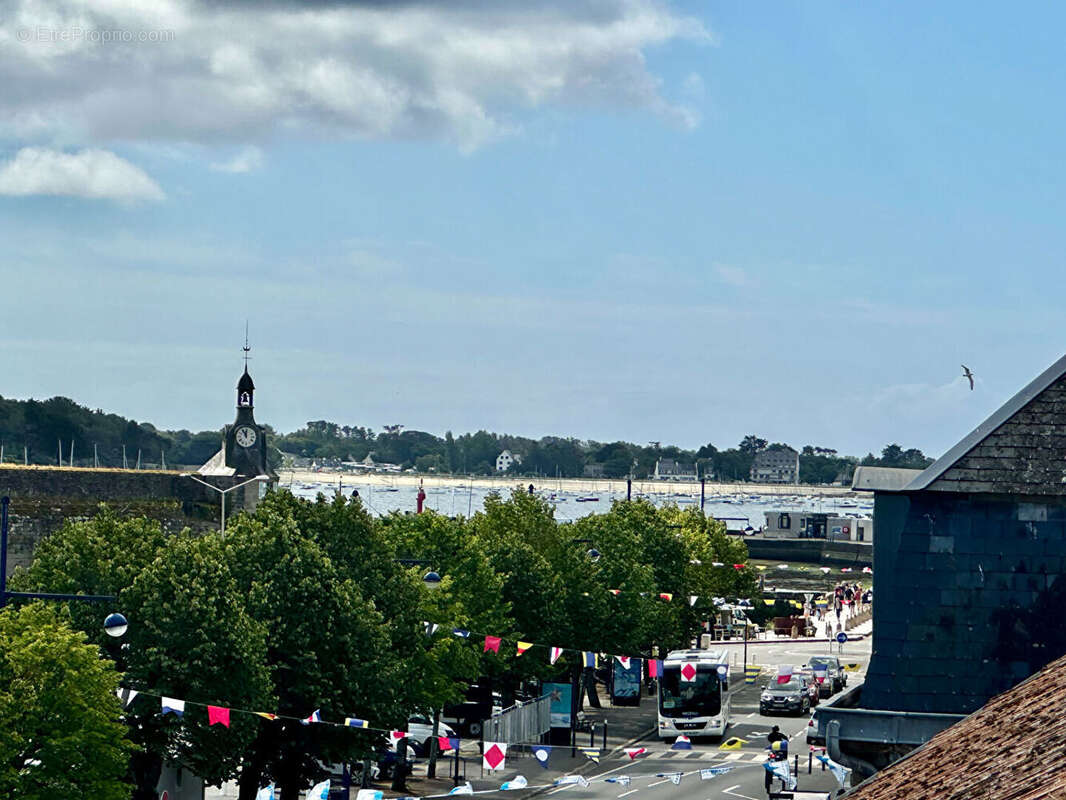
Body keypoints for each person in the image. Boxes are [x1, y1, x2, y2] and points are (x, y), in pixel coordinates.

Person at [765, 726, 788, 793]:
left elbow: (769, 739)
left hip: (773, 749)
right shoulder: (780, 735)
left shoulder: (770, 735)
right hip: (780, 750)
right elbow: (786, 739)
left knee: (771, 757)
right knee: (783, 756)